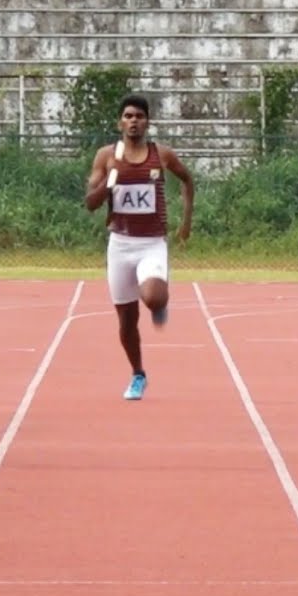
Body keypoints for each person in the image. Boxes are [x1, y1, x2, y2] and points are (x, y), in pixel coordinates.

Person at [84, 94, 194, 401]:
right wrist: (108, 184)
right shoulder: (106, 156)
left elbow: (187, 180)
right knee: (126, 321)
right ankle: (138, 374)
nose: (134, 121)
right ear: (120, 122)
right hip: (120, 244)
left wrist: (186, 221)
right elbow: (90, 204)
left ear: (147, 122)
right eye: (129, 116)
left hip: (152, 243)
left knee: (153, 297)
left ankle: (159, 303)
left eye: (140, 116)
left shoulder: (162, 155)